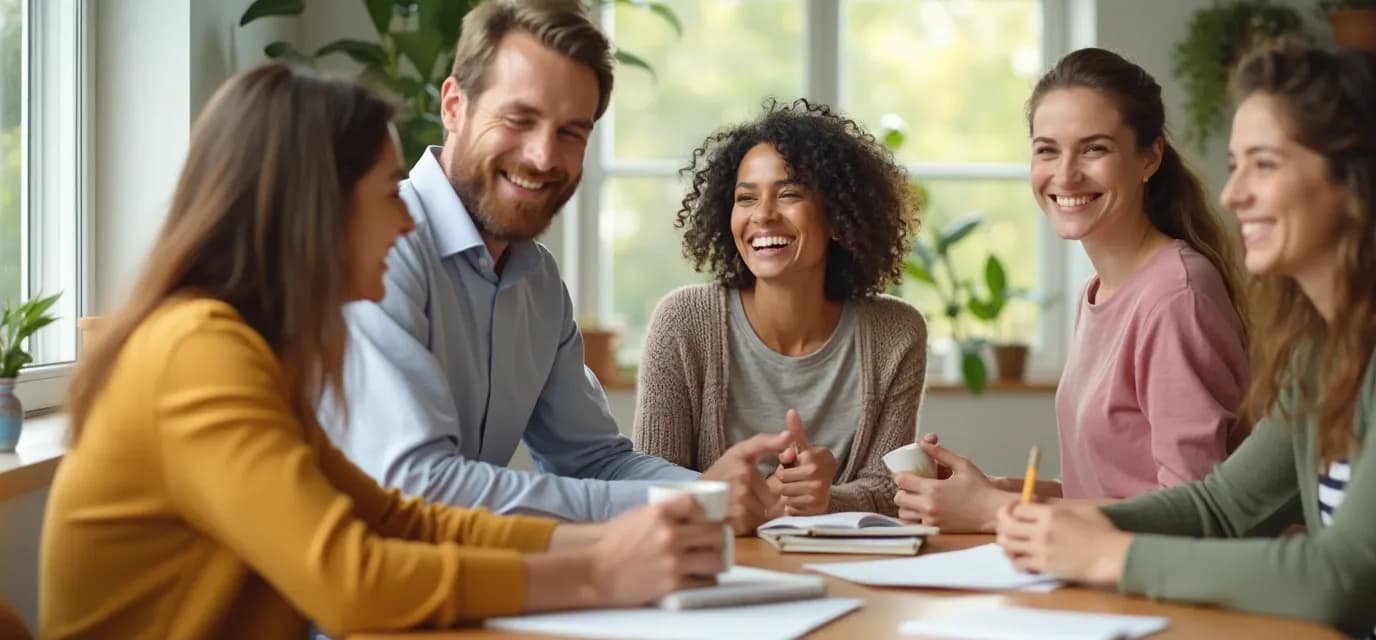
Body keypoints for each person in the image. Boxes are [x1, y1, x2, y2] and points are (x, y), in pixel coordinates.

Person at [39, 63, 726, 639]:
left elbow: (400, 518)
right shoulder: (195, 351)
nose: (408, 220)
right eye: (389, 192)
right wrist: (599, 571)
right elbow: (350, 580)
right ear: (318, 209)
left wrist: (611, 543)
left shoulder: (252, 353)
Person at [995, 44, 1376, 639]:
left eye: (1265, 164)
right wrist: (1064, 529)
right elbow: (1223, 507)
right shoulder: (1324, 340)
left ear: (1359, 176)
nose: (1232, 194)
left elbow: (1343, 579)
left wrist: (1108, 555)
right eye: (1235, 164)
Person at [319, 0, 791, 529]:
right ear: (454, 105)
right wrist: (682, 502)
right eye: (519, 119)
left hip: (466, 586)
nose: (544, 157)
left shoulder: (537, 279)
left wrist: (706, 490)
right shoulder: (382, 248)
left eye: (571, 132)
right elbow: (419, 485)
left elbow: (593, 460)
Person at [895, 47, 1251, 531]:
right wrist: (995, 492)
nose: (1065, 174)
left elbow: (1191, 510)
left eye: (1094, 148)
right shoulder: (1099, 293)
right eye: (1047, 149)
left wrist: (995, 513)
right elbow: (1113, 494)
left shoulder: (1175, 296)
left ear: (1149, 157)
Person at [633, 99, 925, 520]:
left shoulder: (896, 333)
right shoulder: (683, 323)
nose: (763, 216)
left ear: (838, 218)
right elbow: (652, 485)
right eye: (746, 198)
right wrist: (741, 499)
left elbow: (889, 489)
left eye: (789, 194)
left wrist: (826, 497)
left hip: (852, 570)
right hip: (716, 566)